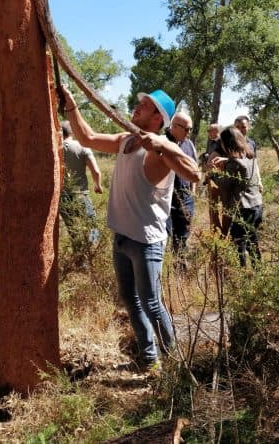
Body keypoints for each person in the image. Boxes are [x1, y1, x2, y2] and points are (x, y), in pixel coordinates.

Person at [61, 85, 200, 368]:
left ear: (158, 119)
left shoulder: (162, 149)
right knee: (129, 298)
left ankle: (174, 364)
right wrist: (72, 106)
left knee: (151, 302)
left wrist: (162, 145)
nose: (137, 107)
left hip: (146, 243)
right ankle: (149, 358)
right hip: (122, 237)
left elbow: (194, 174)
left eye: (145, 105)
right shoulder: (126, 140)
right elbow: (86, 137)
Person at [212, 126, 263, 267]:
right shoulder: (250, 156)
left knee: (238, 242)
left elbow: (224, 185)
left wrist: (213, 175)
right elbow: (238, 162)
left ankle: (241, 273)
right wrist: (226, 161)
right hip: (257, 206)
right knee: (253, 240)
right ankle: (258, 270)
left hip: (244, 210)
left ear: (228, 143)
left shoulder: (234, 163)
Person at [60, 120, 103, 250]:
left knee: (73, 231)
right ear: (72, 131)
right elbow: (96, 171)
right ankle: (89, 251)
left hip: (63, 197)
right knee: (93, 226)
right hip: (81, 195)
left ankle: (80, 260)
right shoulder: (82, 147)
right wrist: (97, 185)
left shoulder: (56, 149)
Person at [164, 111, 197, 268]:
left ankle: (180, 269)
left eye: (190, 129)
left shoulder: (189, 144)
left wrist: (193, 192)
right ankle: (161, 273)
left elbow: (195, 170)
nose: (189, 133)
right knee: (164, 236)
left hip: (186, 198)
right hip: (165, 199)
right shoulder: (161, 143)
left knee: (182, 237)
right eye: (187, 129)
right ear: (174, 126)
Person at [234, 115, 263, 193]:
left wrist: (259, 181)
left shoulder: (251, 143)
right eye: (237, 127)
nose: (240, 129)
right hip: (233, 184)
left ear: (248, 127)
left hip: (250, 183)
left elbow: (254, 163)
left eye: (243, 127)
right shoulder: (228, 144)